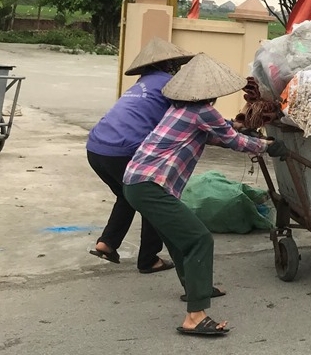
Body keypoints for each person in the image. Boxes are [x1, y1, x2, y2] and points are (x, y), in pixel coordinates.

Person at [122, 53, 285, 336]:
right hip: (150, 184)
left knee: (176, 238)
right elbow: (231, 139)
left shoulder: (180, 108)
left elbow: (216, 134)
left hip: (137, 182)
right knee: (199, 239)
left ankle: (195, 288)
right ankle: (195, 316)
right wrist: (267, 146)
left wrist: (250, 136)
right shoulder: (203, 111)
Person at [86, 37, 193, 273]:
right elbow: (194, 114)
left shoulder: (140, 84)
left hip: (96, 148)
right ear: (169, 65)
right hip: (123, 151)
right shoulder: (169, 84)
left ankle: (107, 243)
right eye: (175, 64)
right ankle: (149, 259)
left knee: (127, 196)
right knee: (152, 199)